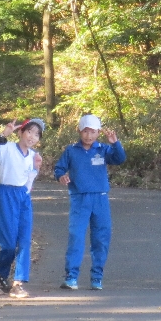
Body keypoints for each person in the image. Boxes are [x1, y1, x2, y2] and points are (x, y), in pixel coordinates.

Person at [54, 114, 126, 291]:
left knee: (101, 238)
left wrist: (115, 143)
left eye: (92, 131)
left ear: (98, 132)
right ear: (79, 131)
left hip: (100, 198)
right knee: (76, 236)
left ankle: (97, 277)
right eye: (85, 131)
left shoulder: (103, 149)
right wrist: (61, 176)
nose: (88, 135)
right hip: (79, 198)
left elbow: (119, 159)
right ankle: (71, 277)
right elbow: (59, 168)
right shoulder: (71, 150)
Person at [0, 118, 45, 299]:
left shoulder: (33, 156)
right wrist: (3, 133)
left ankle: (18, 283)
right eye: (29, 131)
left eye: (37, 134)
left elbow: (29, 182)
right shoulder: (7, 148)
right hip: (5, 195)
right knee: (8, 243)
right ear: (21, 132)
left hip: (23, 197)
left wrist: (36, 169)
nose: (32, 137)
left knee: (24, 240)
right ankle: (1, 273)